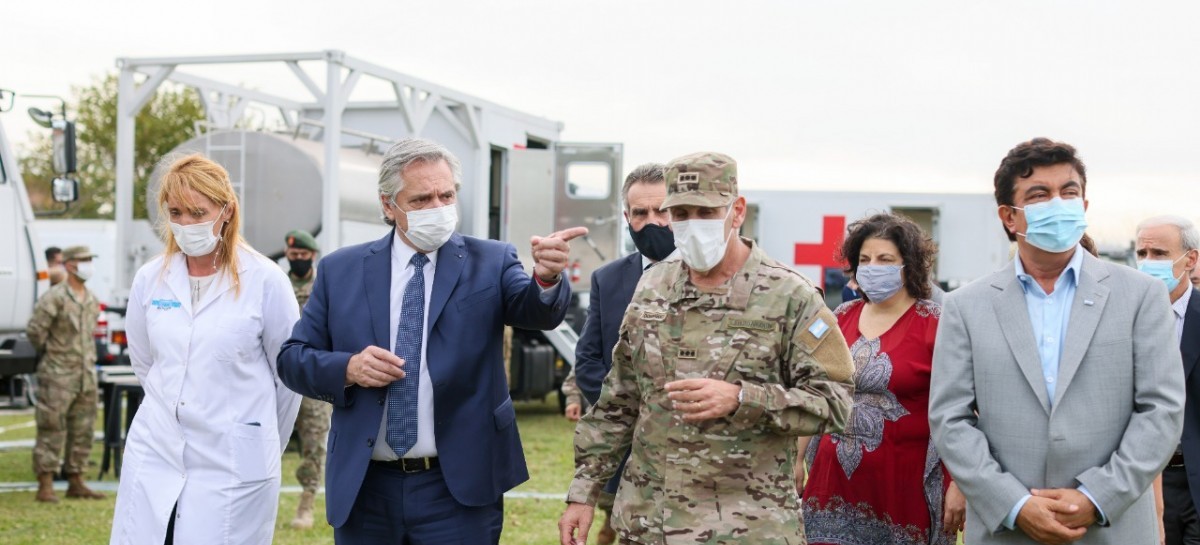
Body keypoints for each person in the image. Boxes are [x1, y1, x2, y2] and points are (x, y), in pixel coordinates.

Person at [277, 137, 584, 544]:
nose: (438, 208)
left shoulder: (490, 261)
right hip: (365, 487)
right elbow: (294, 359)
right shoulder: (340, 270)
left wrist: (546, 277)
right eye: (421, 200)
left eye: (446, 195)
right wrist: (348, 368)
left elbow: (535, 310)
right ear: (389, 206)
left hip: (457, 486)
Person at [560, 151, 856, 545]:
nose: (689, 225)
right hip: (648, 524)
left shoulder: (791, 296)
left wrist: (742, 398)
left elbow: (836, 400)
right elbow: (619, 401)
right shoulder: (651, 287)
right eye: (679, 214)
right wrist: (583, 492)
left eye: (704, 212)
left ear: (736, 211)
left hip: (744, 527)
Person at [929, 138, 1185, 544]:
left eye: (1068, 192)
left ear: (1084, 206)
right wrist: (1013, 503)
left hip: (1111, 527)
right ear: (1009, 217)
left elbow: (1162, 410)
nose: (1058, 203)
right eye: (1039, 195)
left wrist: (1098, 496)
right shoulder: (967, 306)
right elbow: (950, 419)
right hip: (1008, 531)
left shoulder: (1139, 295)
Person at [109, 154, 302, 545]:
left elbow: (288, 379)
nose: (185, 224)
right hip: (158, 450)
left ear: (226, 210)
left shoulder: (265, 280)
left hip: (233, 461)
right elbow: (146, 363)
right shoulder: (151, 279)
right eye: (175, 212)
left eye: (198, 212)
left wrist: (257, 440)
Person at [800, 213, 965, 545]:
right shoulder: (837, 319)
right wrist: (794, 460)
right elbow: (810, 389)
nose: (872, 266)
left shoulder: (939, 324)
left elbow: (967, 410)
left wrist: (960, 485)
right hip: (830, 486)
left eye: (885, 259)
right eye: (865, 259)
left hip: (905, 491)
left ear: (909, 266)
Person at [572, 162, 671, 545]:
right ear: (627, 217)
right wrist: (634, 414)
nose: (652, 222)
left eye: (662, 211)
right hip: (628, 449)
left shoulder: (712, 276)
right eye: (640, 213)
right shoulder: (609, 278)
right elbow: (589, 362)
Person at [1135, 216, 1200, 545]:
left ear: (1191, 259)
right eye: (1142, 253)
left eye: (1159, 253)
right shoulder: (1126, 320)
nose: (1148, 263)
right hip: (1144, 481)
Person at [26, 245, 104, 503]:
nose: (88, 265)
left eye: (90, 260)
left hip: (85, 374)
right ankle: (46, 484)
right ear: (70, 264)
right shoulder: (55, 297)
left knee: (83, 428)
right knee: (51, 427)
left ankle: (76, 480)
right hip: (58, 374)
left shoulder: (91, 298)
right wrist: (54, 356)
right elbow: (36, 332)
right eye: (84, 260)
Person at [281, 228, 330, 530]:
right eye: (293, 255)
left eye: (302, 255)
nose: (297, 260)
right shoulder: (278, 285)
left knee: (314, 441)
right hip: (279, 376)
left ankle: (306, 502)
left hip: (313, 378)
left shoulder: (323, 287)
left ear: (313, 256)